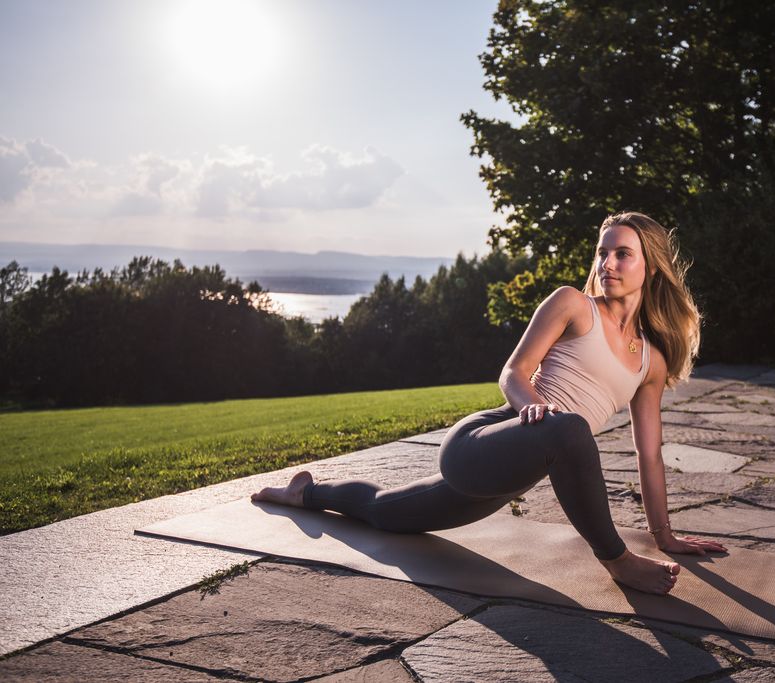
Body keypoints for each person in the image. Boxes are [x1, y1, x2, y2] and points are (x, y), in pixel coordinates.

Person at [252, 211, 726, 594]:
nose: (608, 264)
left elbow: (650, 454)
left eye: (623, 254)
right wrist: (531, 408)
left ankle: (305, 492)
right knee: (570, 429)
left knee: (386, 512)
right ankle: (616, 559)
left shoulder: (651, 361)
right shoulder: (572, 305)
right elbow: (513, 373)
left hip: (507, 474)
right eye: (603, 252)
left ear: (651, 266)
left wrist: (665, 535)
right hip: (482, 439)